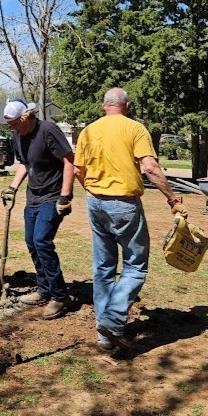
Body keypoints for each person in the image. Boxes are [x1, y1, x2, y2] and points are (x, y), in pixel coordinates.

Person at [73, 87, 188, 351]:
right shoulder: (135, 129)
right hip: (123, 204)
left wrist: (90, 189)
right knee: (136, 266)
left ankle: (104, 334)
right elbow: (149, 167)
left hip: (95, 202)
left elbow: (78, 169)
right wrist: (172, 199)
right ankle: (113, 321)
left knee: (103, 268)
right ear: (126, 106)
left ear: (104, 106)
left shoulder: (88, 131)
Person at [1, 98, 75, 320]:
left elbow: (70, 161)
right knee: (31, 242)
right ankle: (44, 289)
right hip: (32, 196)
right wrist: (13, 187)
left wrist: (65, 196)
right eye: (10, 125)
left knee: (42, 241)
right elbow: (24, 163)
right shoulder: (18, 135)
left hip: (52, 196)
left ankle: (60, 297)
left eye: (15, 123)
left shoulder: (48, 130)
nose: (12, 128)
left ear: (26, 117)